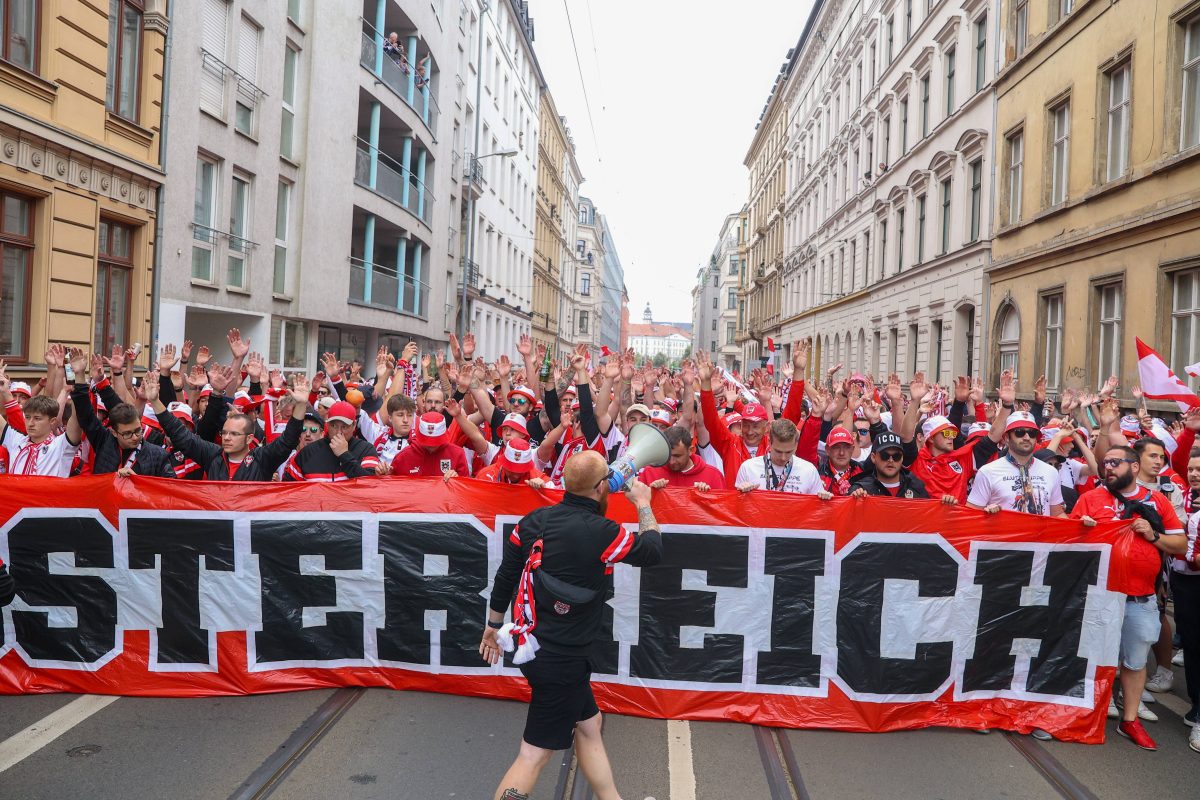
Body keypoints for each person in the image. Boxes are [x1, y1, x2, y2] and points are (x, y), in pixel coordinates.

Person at [480, 451, 662, 800]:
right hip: (561, 660)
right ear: (601, 488)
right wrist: (642, 503)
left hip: (535, 648)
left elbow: (506, 575)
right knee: (534, 754)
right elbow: (652, 550)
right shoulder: (603, 531)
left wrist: (492, 624)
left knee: (590, 725)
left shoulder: (532, 521)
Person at [1072, 444, 1188, 751]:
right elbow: (1066, 545)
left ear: (1134, 467)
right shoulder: (1089, 499)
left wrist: (1153, 535)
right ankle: (1092, 712)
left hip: (1140, 597)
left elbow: (1180, 544)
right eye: (1105, 463)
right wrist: (1081, 531)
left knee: (1135, 662)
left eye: (1115, 462)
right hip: (1100, 595)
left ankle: (1130, 719)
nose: (1108, 467)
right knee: (1095, 656)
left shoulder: (1157, 501)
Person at [147, 374, 310, 481]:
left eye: (234, 434)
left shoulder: (262, 459)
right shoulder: (213, 456)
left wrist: (301, 404)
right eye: (224, 433)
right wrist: (155, 401)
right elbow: (181, 435)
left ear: (249, 438)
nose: (226, 437)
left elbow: (288, 440)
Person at [967, 412, 1065, 517]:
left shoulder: (1051, 472)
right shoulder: (987, 472)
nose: (1027, 437)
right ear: (1006, 438)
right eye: (1019, 432)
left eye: (1032, 433)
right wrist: (986, 515)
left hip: (1040, 533)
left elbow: (1057, 514)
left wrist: (1081, 527)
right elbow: (970, 515)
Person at [0, 363, 82, 476]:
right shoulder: (15, 440)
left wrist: (78, 377)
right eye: (27, 417)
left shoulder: (61, 445)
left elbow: (77, 418)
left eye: (37, 418)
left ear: (52, 421)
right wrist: (4, 391)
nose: (30, 423)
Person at [284, 400, 381, 481]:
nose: (339, 432)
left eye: (344, 426)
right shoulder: (307, 453)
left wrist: (344, 455)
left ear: (354, 425)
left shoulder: (366, 449)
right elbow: (289, 490)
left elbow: (369, 484)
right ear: (327, 424)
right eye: (334, 426)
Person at [735, 419, 831, 498]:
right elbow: (738, 508)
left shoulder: (809, 470)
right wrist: (742, 493)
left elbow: (818, 511)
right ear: (769, 442)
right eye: (778, 451)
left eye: (789, 452)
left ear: (796, 445)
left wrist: (825, 498)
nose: (783, 457)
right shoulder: (748, 467)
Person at [850, 432, 947, 501]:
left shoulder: (917, 487)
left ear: (902, 458)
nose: (891, 460)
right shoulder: (860, 489)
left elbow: (929, 520)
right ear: (873, 457)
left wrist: (946, 507)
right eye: (885, 456)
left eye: (896, 456)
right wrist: (853, 501)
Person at [638, 426, 725, 491]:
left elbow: (722, 511)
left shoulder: (713, 476)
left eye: (677, 456)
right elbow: (636, 507)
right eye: (668, 455)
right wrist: (650, 492)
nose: (671, 461)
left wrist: (709, 497)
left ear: (691, 450)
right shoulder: (650, 472)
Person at [390, 411, 469, 479]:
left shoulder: (457, 454)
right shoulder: (403, 457)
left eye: (436, 441)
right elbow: (390, 486)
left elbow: (466, 489)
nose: (431, 445)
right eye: (427, 441)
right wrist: (384, 472)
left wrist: (457, 480)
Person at [474, 439, 551, 488]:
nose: (515, 475)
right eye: (511, 469)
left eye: (520, 470)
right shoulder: (485, 476)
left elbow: (556, 496)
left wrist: (544, 489)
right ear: (503, 463)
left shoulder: (538, 478)